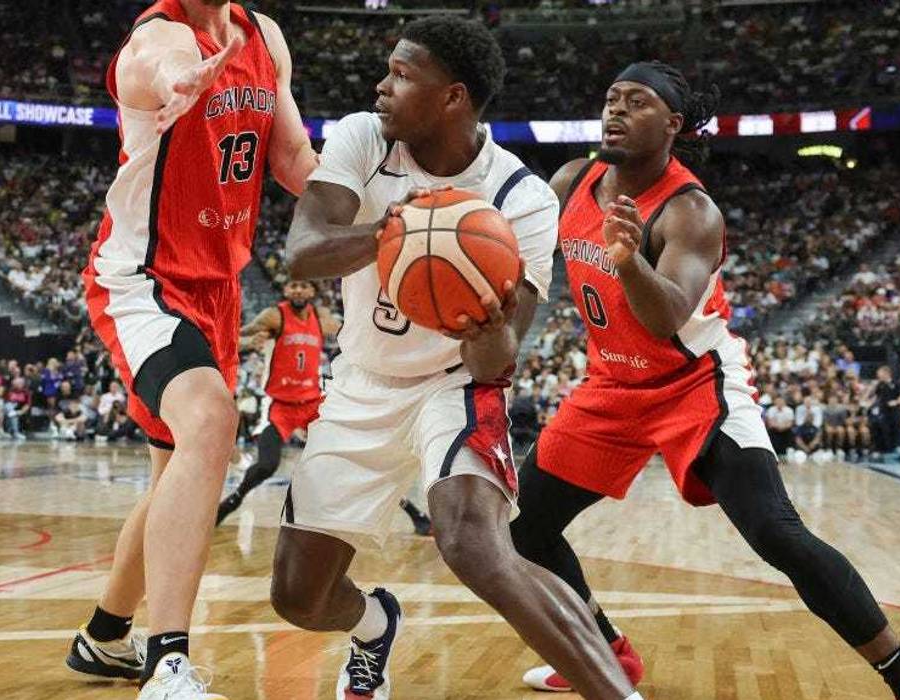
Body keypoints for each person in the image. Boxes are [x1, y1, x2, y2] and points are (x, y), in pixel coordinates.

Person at [508, 61, 900, 700]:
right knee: (525, 525)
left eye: (636, 102)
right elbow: (515, 245)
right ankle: (608, 652)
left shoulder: (691, 211)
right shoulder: (573, 179)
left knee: (776, 532)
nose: (616, 111)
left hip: (695, 387)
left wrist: (628, 262)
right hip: (611, 386)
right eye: (611, 98)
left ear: (673, 124)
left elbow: (664, 318)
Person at [268, 16, 642, 700]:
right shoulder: (362, 137)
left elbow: (495, 365)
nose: (382, 86)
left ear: (453, 98)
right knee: (297, 598)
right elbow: (303, 250)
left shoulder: (518, 198)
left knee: (474, 544)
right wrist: (394, 231)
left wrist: (486, 319)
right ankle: (373, 624)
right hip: (360, 381)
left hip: (451, 385)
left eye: (403, 75)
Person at [67, 0, 317, 697]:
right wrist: (180, 81)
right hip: (144, 278)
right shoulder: (158, 37)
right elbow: (160, 62)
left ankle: (104, 636)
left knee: (179, 470)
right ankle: (167, 662)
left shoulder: (264, 36)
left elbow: (292, 159)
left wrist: (373, 195)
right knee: (209, 420)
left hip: (220, 289)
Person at [215, 280, 339, 524]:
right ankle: (233, 501)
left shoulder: (321, 319)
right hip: (279, 405)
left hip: (313, 403)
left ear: (312, 291)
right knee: (267, 465)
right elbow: (239, 334)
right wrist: (250, 342)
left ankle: (410, 511)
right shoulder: (274, 316)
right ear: (285, 290)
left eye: (303, 286)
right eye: (293, 285)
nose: (298, 290)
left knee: (348, 454)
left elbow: (347, 331)